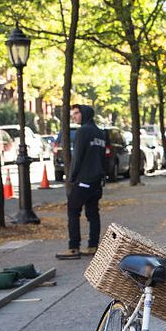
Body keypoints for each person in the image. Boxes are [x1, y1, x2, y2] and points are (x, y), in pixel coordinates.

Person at [55, 104, 106, 260]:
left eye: (77, 113)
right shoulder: (100, 133)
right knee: (92, 212)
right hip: (97, 180)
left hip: (84, 179)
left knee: (73, 209)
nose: (74, 116)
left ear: (84, 114)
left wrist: (72, 176)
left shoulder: (82, 131)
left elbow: (77, 156)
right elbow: (103, 156)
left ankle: (73, 247)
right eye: (73, 113)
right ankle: (93, 246)